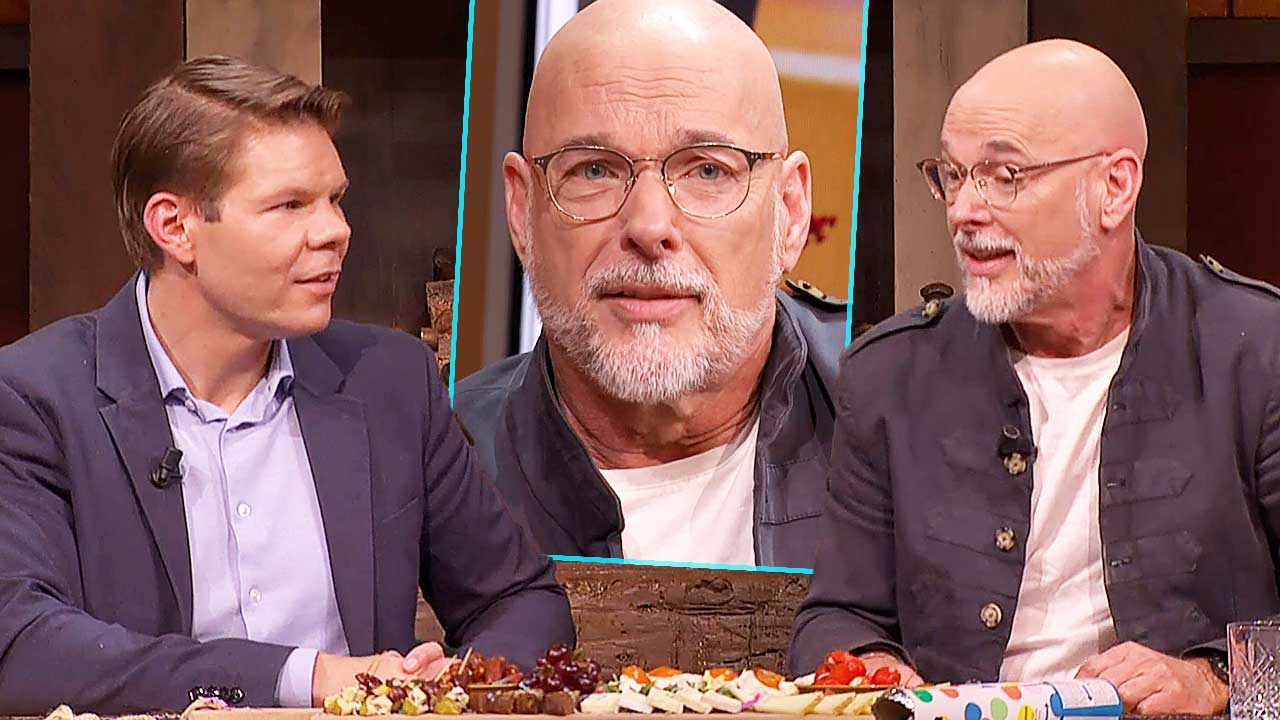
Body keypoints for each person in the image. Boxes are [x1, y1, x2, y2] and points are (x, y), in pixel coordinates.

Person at [0, 56, 573, 714]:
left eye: (335, 199)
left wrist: (458, 684)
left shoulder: (390, 381)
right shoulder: (36, 400)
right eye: (289, 205)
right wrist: (309, 676)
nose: (336, 231)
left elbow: (520, 600)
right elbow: (22, 648)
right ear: (175, 227)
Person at [790, 39, 1280, 716]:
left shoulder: (1255, 353)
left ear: (1114, 188)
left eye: (1004, 176)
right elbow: (838, 615)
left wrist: (1215, 681)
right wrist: (874, 669)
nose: (964, 211)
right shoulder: (890, 374)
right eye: (952, 176)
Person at [453, 0, 844, 569]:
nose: (649, 226)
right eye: (594, 169)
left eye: (708, 169)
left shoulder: (902, 431)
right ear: (522, 210)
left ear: (790, 211)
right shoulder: (427, 468)